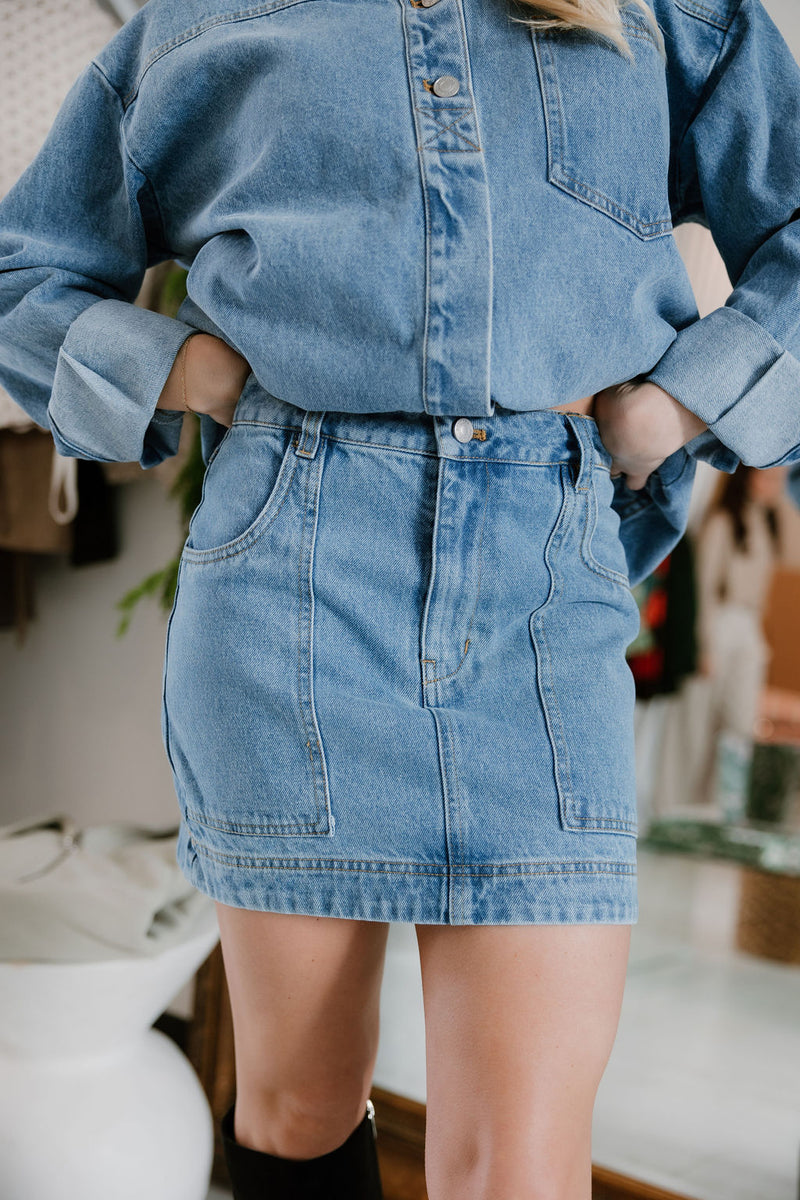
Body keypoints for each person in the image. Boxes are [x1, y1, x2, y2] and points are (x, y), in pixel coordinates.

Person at [1, 0, 799, 1196]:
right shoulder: (200, 23)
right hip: (289, 586)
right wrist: (175, 364)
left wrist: (678, 403)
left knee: (518, 1165)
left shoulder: (668, 15)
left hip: (544, 599)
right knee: (298, 1104)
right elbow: (27, 267)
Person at [693, 463, 788, 816]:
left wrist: (779, 499)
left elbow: (794, 552)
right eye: (768, 476)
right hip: (721, 623)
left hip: (750, 627)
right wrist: (704, 645)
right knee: (702, 721)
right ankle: (695, 803)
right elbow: (704, 588)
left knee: (741, 720)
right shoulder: (722, 522)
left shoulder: (766, 522)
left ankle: (725, 803)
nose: (774, 485)